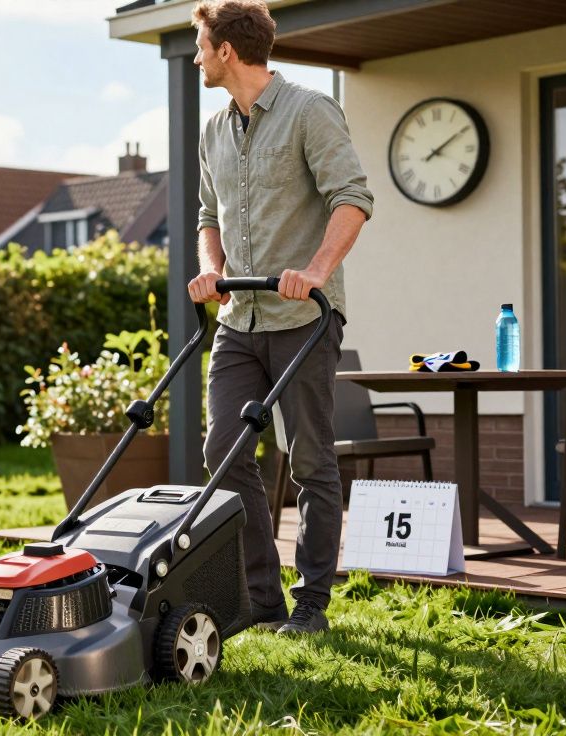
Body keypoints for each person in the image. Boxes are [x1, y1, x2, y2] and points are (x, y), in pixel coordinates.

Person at [185, 0, 373, 635]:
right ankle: (263, 602)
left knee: (313, 461)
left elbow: (352, 197)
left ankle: (311, 605)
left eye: (201, 46)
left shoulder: (310, 111)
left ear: (227, 52)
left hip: (304, 320)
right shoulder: (213, 129)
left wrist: (316, 270)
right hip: (240, 320)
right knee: (224, 451)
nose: (197, 58)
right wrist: (211, 268)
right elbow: (208, 216)